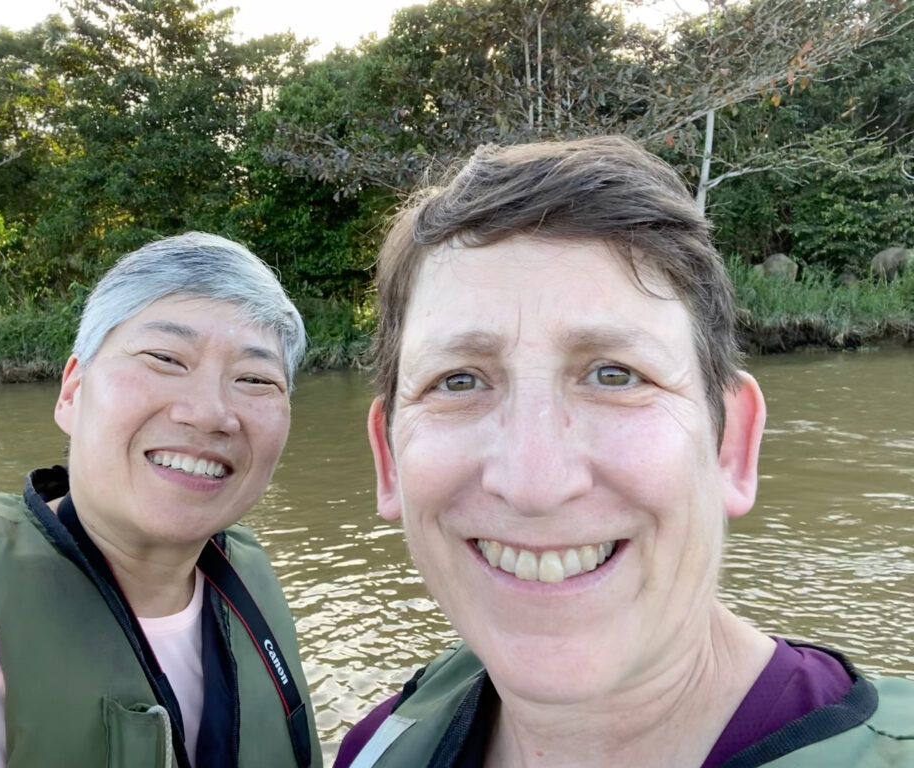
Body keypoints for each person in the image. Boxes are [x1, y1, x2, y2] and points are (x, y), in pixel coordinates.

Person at [336, 137, 914, 768]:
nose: (534, 484)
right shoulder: (377, 748)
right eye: (459, 381)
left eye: (615, 375)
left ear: (732, 445)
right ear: (388, 460)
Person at [0, 233, 320, 768]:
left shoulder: (247, 581)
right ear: (72, 392)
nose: (210, 413)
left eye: (255, 379)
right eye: (165, 358)